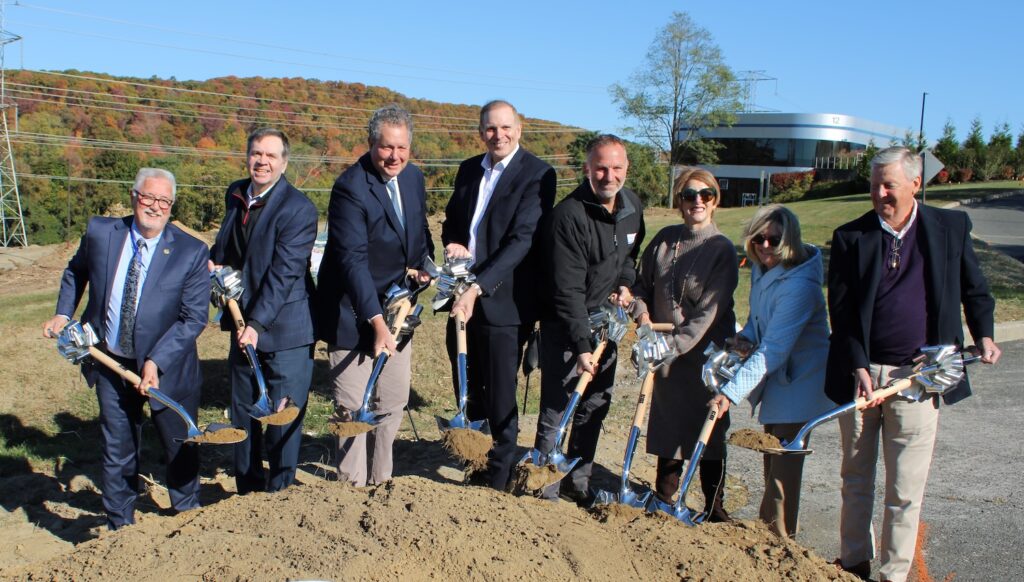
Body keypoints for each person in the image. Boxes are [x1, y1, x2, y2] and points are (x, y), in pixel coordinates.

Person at [826, 146, 1001, 582]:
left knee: (905, 490)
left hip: (919, 378)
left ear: (916, 184)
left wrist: (984, 334)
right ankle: (853, 563)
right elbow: (842, 312)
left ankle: (894, 574)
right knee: (855, 479)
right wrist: (858, 364)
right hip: (862, 378)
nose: (880, 193)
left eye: (889, 185)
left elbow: (974, 288)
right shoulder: (852, 237)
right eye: (874, 185)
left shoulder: (950, 227)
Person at [42, 168, 210, 529]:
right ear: (135, 196)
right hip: (110, 360)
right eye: (149, 197)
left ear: (172, 205)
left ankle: (187, 516)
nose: (155, 206)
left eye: (164, 201)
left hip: (168, 367)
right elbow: (75, 271)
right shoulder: (102, 233)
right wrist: (62, 312)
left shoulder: (191, 252)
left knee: (178, 443)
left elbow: (194, 319)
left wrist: (155, 362)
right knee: (117, 446)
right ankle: (121, 524)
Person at [315, 104, 434, 487]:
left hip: (397, 311)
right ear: (371, 145)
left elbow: (418, 233)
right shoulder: (351, 187)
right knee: (353, 407)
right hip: (351, 311)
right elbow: (352, 262)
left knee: (391, 402)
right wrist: (376, 323)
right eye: (386, 148)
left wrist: (423, 266)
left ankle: (382, 486)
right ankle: (350, 488)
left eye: (401, 148)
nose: (394, 156)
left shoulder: (413, 179)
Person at [440, 100, 556, 490]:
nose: (498, 135)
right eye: (491, 128)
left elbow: (521, 241)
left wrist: (478, 286)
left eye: (506, 128)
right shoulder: (469, 169)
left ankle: (499, 478)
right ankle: (475, 464)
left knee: (501, 394)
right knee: (467, 385)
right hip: (461, 297)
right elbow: (454, 222)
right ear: (481, 131)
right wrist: (453, 244)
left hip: (505, 302)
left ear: (519, 130)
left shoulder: (538, 174)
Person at [709, 204, 835, 536]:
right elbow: (757, 324)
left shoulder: (800, 286)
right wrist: (741, 341)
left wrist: (730, 393)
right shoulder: (765, 270)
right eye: (759, 239)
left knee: (783, 473)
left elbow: (774, 350)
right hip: (778, 384)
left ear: (788, 240)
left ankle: (779, 544)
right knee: (771, 463)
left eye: (773, 239)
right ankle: (770, 538)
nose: (765, 246)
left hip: (799, 384)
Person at [533, 134, 644, 503]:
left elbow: (629, 255)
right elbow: (566, 291)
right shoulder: (568, 216)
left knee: (595, 404)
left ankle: (577, 484)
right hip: (567, 327)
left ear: (626, 169)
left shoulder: (632, 209)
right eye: (600, 168)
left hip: (604, 327)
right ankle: (543, 488)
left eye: (615, 168)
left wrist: (626, 284)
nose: (608, 176)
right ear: (587, 169)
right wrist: (581, 346)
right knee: (558, 405)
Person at [210, 127, 318, 494]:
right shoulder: (236, 194)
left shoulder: (298, 209)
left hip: (285, 329)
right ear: (248, 155)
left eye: (271, 156)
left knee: (282, 420)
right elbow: (227, 248)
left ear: (284, 163)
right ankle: (248, 493)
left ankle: (281, 493)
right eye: (257, 153)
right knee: (243, 416)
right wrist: (215, 265)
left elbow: (284, 274)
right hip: (243, 325)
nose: (262, 161)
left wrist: (256, 323)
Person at [630, 167, 737, 522]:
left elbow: (707, 313)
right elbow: (642, 285)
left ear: (715, 200)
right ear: (679, 200)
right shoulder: (664, 240)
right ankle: (664, 499)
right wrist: (641, 312)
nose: (697, 201)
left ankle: (714, 508)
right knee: (669, 423)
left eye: (705, 194)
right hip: (668, 352)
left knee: (709, 426)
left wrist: (670, 346)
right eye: (689, 195)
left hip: (705, 354)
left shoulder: (720, 249)